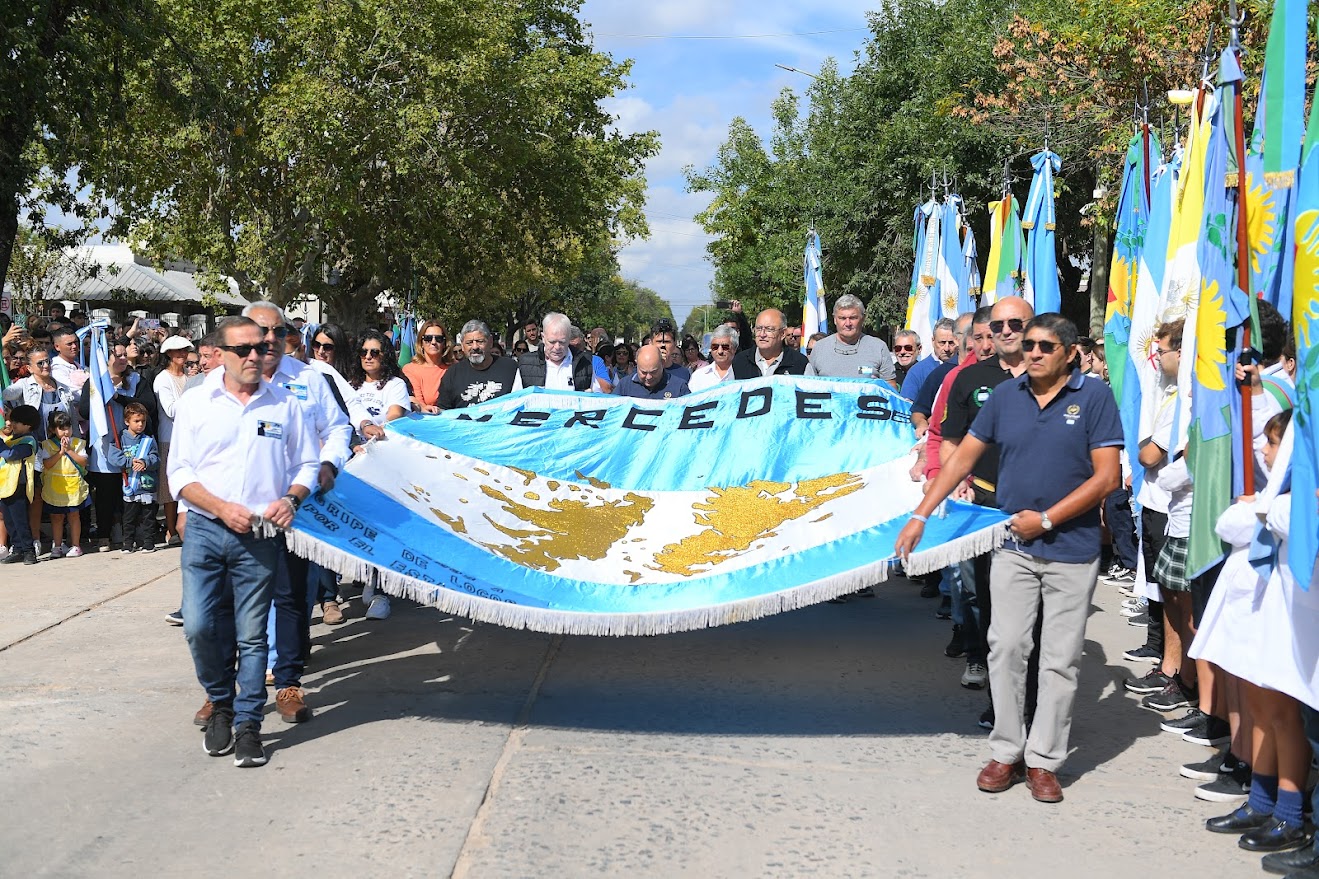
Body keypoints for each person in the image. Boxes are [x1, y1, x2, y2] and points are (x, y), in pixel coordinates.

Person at [896, 313, 1122, 804]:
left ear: (1069, 353)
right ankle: (1006, 750)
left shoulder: (1095, 398)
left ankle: (1044, 760)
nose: (1034, 351)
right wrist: (921, 513)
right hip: (1013, 547)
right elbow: (961, 456)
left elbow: (1106, 477)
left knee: (1060, 661)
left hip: (1072, 549)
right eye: (1030, 343)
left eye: (1045, 345)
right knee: (1006, 646)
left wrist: (1046, 520)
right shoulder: (1004, 396)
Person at [170, 315, 320, 768]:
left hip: (259, 535)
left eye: (260, 346)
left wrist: (291, 498)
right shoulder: (197, 403)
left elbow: (307, 463)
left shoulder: (284, 403)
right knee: (199, 626)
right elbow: (179, 473)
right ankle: (221, 701)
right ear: (221, 354)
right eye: (244, 350)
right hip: (205, 530)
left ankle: (249, 726)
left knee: (254, 637)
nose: (256, 355)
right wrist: (218, 507)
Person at [241, 301, 351, 728]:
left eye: (277, 331)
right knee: (241, 598)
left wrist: (329, 463)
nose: (269, 340)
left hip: (296, 506)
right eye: (259, 331)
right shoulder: (222, 383)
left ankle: (288, 681)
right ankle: (228, 689)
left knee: (288, 596)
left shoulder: (309, 379)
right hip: (242, 509)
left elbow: (338, 428)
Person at [77, 339, 159, 551]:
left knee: (133, 494)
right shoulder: (94, 382)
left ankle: (130, 535)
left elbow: (148, 406)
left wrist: (119, 398)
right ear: (107, 360)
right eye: (118, 355)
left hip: (134, 445)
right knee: (105, 494)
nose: (123, 359)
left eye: (125, 355)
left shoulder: (136, 380)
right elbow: (84, 410)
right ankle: (104, 534)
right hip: (105, 446)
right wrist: (102, 397)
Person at [154, 335, 195, 546]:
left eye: (185, 350)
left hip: (190, 437)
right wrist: (194, 395)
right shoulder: (163, 378)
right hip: (169, 438)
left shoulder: (189, 377)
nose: (183, 354)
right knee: (169, 487)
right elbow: (170, 410)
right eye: (178, 351)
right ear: (168, 354)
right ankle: (171, 530)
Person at [803, 295, 896, 387]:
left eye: (853, 318)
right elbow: (808, 385)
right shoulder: (819, 348)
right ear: (835, 319)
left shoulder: (878, 347)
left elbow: (891, 386)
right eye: (842, 318)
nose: (848, 323)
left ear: (862, 319)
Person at [106, 402, 159, 553]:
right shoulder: (120, 439)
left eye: (143, 421)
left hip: (147, 485)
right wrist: (129, 462)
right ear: (127, 421)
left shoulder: (148, 439)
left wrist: (146, 462)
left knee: (148, 517)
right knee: (129, 518)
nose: (140, 424)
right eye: (136, 421)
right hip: (130, 485)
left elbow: (156, 458)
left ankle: (148, 543)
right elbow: (114, 457)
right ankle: (128, 543)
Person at [437, 320, 521, 410]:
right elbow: (443, 412)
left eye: (480, 341)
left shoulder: (510, 368)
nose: (475, 347)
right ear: (462, 345)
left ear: (490, 342)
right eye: (469, 343)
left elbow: (521, 403)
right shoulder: (452, 374)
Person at [39, 411, 89, 558]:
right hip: (55, 487)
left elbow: (83, 461)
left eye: (68, 427)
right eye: (61, 428)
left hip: (73, 486)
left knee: (74, 516)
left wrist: (69, 451)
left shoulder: (78, 443)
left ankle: (76, 545)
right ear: (53, 430)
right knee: (56, 517)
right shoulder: (47, 445)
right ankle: (58, 545)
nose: (66, 431)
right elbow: (47, 464)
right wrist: (60, 452)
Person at [1, 405, 41, 565]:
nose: (12, 424)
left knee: (20, 520)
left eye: (17, 422)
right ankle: (17, 548)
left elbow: (11, 455)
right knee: (10, 521)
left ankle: (29, 551)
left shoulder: (28, 441)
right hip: (5, 485)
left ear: (28, 425)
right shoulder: (12, 439)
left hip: (18, 485)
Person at [516, 313, 598, 391]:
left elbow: (597, 398)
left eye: (562, 342)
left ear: (569, 338)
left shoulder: (584, 363)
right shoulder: (526, 364)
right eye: (552, 342)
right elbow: (516, 400)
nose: (557, 347)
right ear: (543, 338)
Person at [351, 330, 412, 426]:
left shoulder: (396, 384)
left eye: (374, 353)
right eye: (363, 352)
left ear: (385, 356)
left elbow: (395, 414)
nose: (368, 357)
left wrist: (375, 430)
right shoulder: (349, 385)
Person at [732, 309, 809, 379]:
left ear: (782, 334)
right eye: (758, 329)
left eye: (769, 329)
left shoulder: (800, 363)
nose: (762, 334)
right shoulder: (739, 362)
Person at [900, 319, 959, 401]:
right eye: (942, 342)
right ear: (933, 341)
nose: (946, 348)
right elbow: (906, 406)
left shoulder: (966, 368)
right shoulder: (917, 372)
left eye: (951, 343)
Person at [402, 320, 449, 414]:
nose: (433, 342)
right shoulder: (410, 369)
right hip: (423, 419)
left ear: (444, 343)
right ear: (421, 343)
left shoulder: (453, 369)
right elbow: (417, 400)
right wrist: (425, 408)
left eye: (439, 338)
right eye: (428, 338)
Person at [615, 345, 689, 399]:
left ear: (662, 363)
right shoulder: (624, 385)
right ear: (636, 363)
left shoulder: (679, 387)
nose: (649, 377)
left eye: (653, 372)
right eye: (643, 372)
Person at [688, 326, 739, 392]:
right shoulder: (698, 377)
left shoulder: (744, 375)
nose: (720, 351)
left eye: (725, 347)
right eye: (715, 347)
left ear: (734, 349)